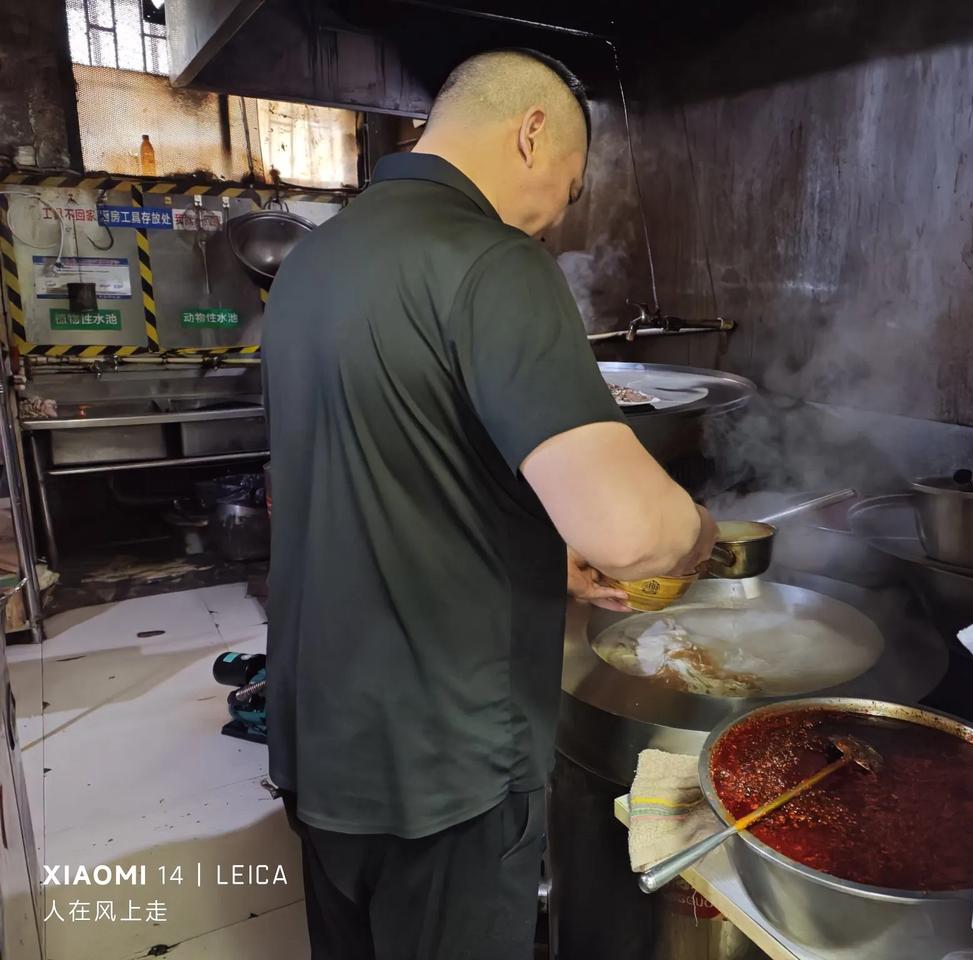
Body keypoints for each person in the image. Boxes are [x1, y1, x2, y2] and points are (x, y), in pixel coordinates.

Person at [261, 48, 717, 959]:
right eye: (571, 184)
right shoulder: (492, 261)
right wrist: (699, 536)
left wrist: (541, 557)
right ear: (532, 131)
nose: (558, 213)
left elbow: (383, 475)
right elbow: (631, 535)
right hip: (445, 759)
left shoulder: (315, 261)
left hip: (321, 736)